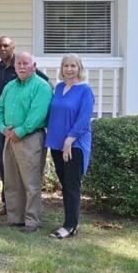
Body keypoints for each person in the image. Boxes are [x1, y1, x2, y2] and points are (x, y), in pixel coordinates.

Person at [0, 36, 49, 215]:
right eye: (19, 65)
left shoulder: (41, 85)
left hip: (29, 136)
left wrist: (21, 130)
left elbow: (38, 112)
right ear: (15, 68)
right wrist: (2, 127)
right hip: (8, 133)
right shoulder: (4, 79)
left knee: (30, 181)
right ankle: (14, 215)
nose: (22, 67)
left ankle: (31, 219)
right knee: (11, 179)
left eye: (26, 63)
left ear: (34, 66)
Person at [46, 54, 94, 239]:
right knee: (65, 184)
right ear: (62, 68)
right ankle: (70, 221)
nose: (69, 69)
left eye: (73, 65)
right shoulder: (59, 88)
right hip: (57, 143)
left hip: (75, 145)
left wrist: (70, 139)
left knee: (72, 185)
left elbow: (84, 119)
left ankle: (70, 225)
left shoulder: (85, 91)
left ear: (79, 68)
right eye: (66, 65)